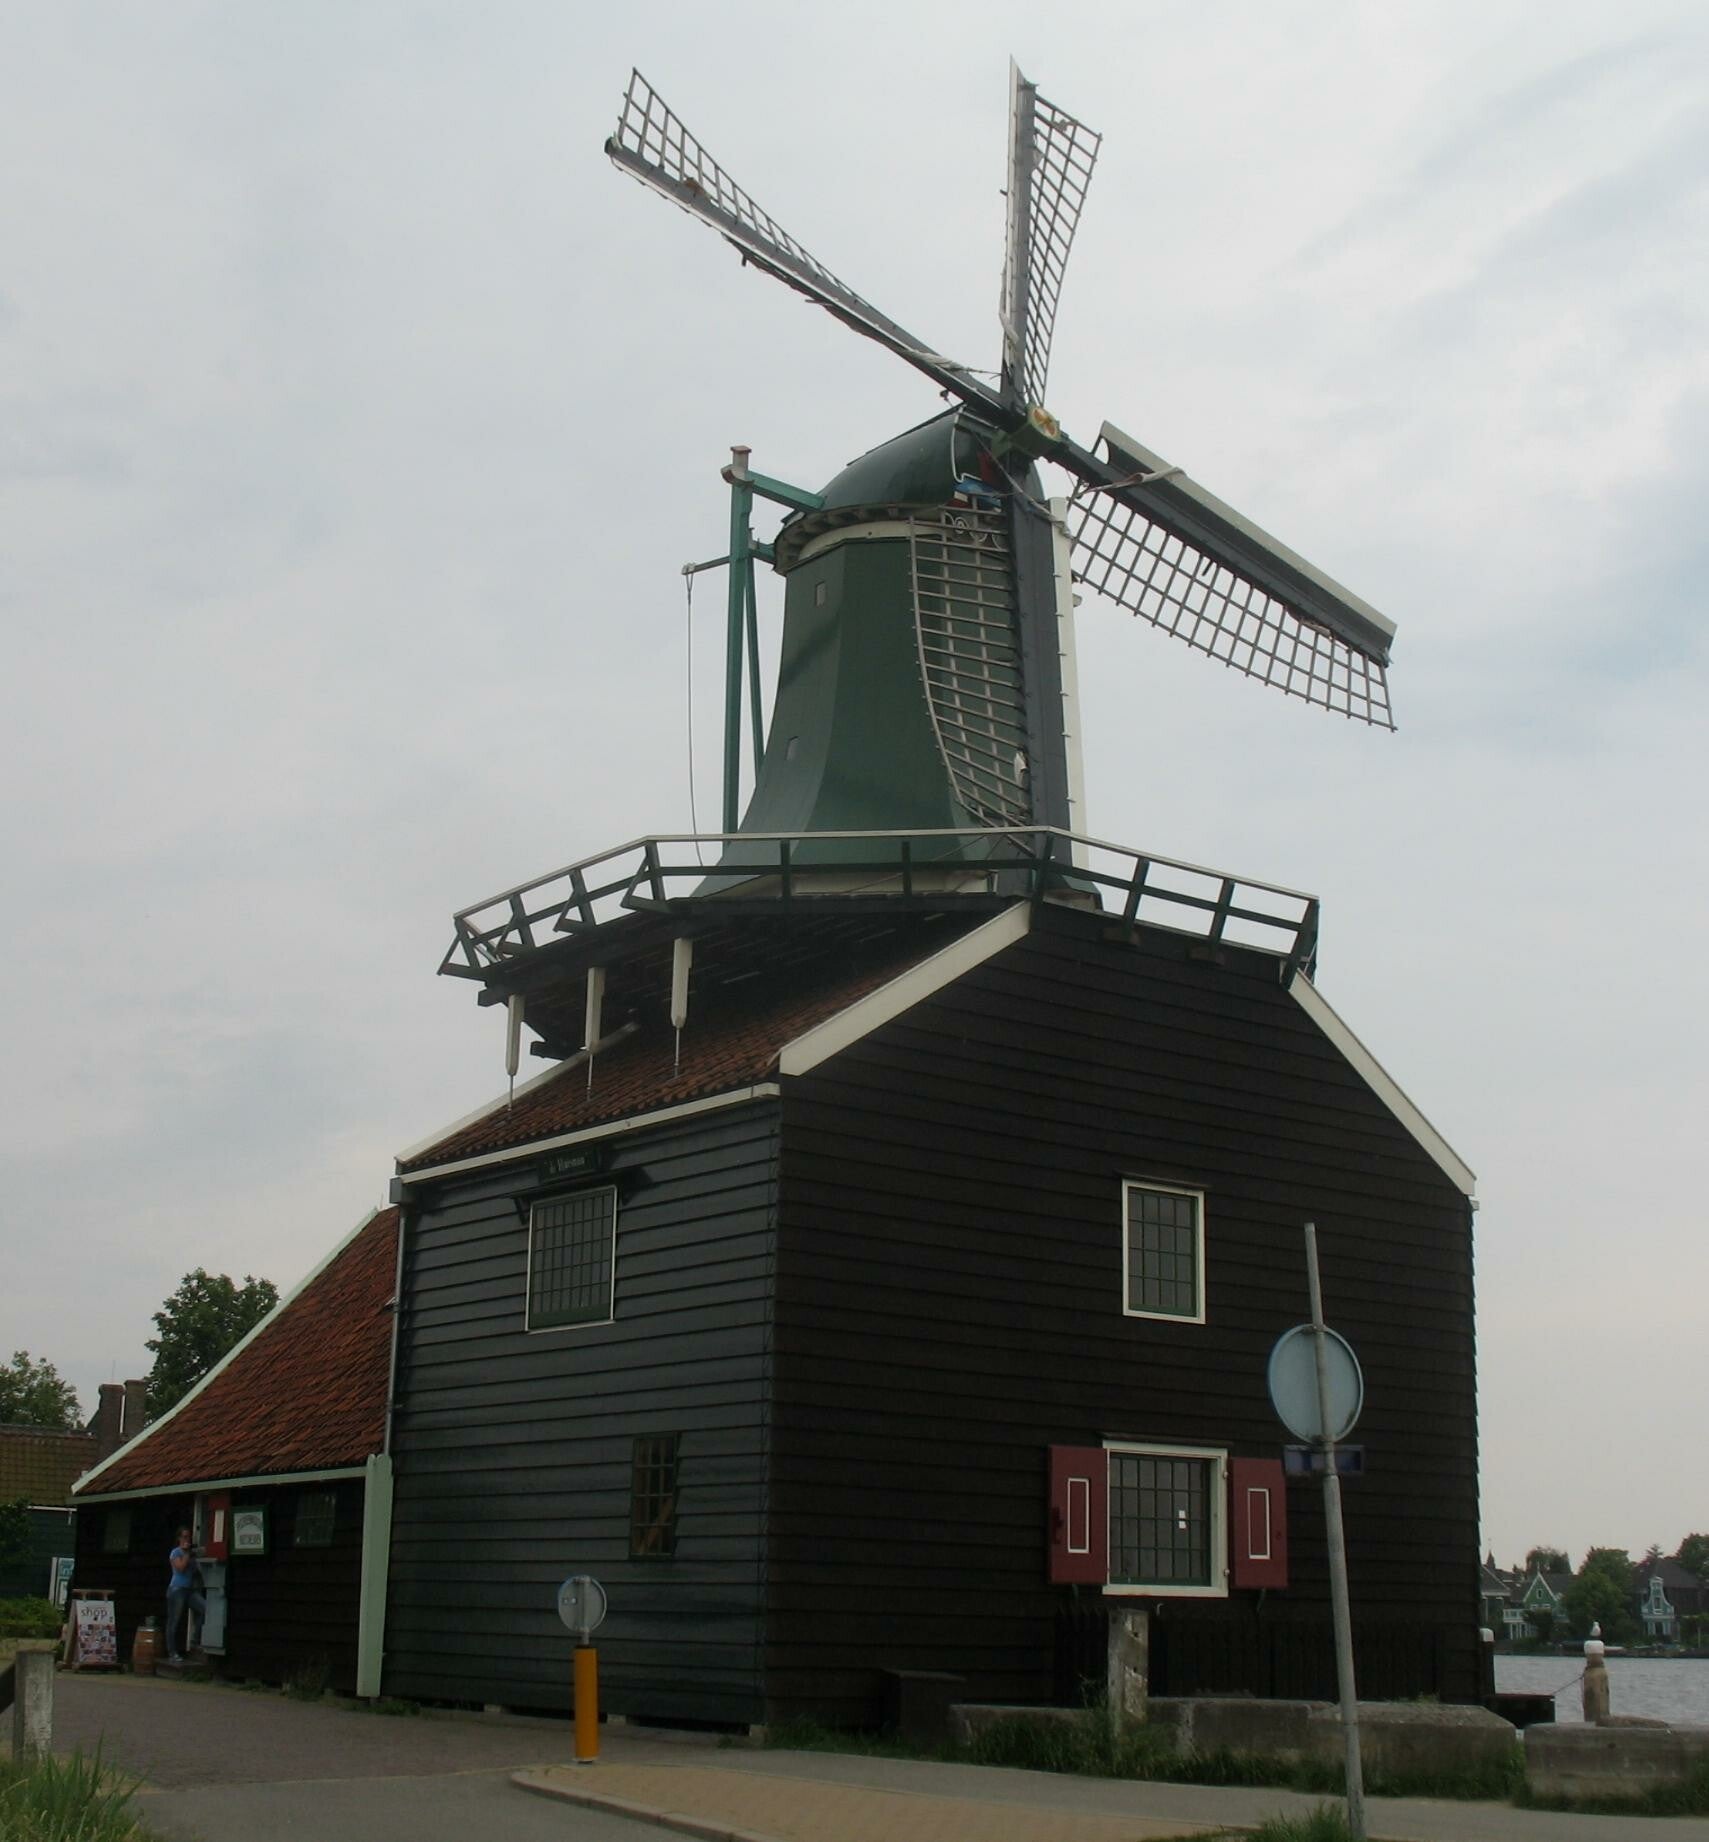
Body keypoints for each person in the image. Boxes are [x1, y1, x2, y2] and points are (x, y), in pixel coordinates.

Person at [165, 1526, 204, 1663]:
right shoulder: (175, 1552)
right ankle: (172, 1652)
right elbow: (181, 1568)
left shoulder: (191, 1554)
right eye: (185, 1537)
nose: (188, 1539)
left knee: (205, 1609)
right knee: (174, 1621)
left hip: (190, 1590)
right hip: (177, 1589)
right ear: (179, 1538)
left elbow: (196, 1571)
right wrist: (187, 1553)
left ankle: (194, 1639)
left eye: (189, 1536)